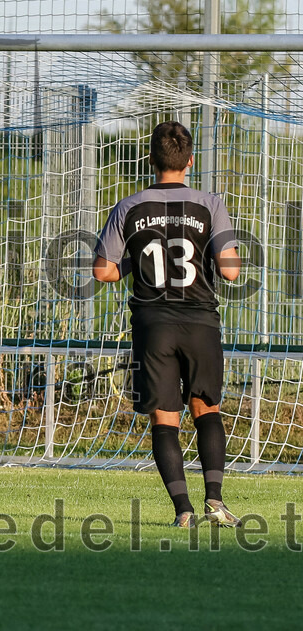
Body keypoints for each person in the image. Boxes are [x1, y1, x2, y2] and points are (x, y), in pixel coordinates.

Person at [93, 120, 242, 528]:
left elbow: (103, 272)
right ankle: (215, 501)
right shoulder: (210, 204)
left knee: (165, 419)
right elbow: (230, 271)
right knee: (207, 409)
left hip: (153, 324)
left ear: (150, 160)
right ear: (190, 161)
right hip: (200, 322)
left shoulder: (129, 206)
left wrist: (133, 261)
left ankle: (183, 511)